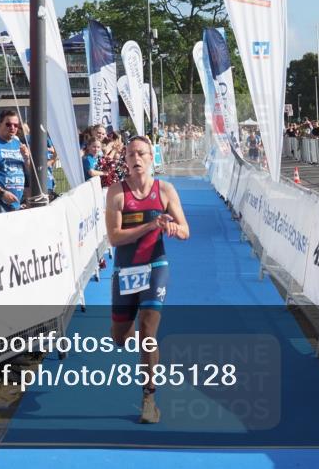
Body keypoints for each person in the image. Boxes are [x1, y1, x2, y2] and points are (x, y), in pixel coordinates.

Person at [105, 135, 189, 424]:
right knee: (120, 338)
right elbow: (114, 238)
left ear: (151, 157)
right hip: (126, 270)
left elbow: (185, 229)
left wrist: (174, 229)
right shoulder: (116, 193)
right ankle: (128, 333)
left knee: (147, 332)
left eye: (141, 153)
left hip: (156, 266)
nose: (136, 159)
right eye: (131, 155)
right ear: (125, 160)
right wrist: (150, 225)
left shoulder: (164, 190)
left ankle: (149, 399)